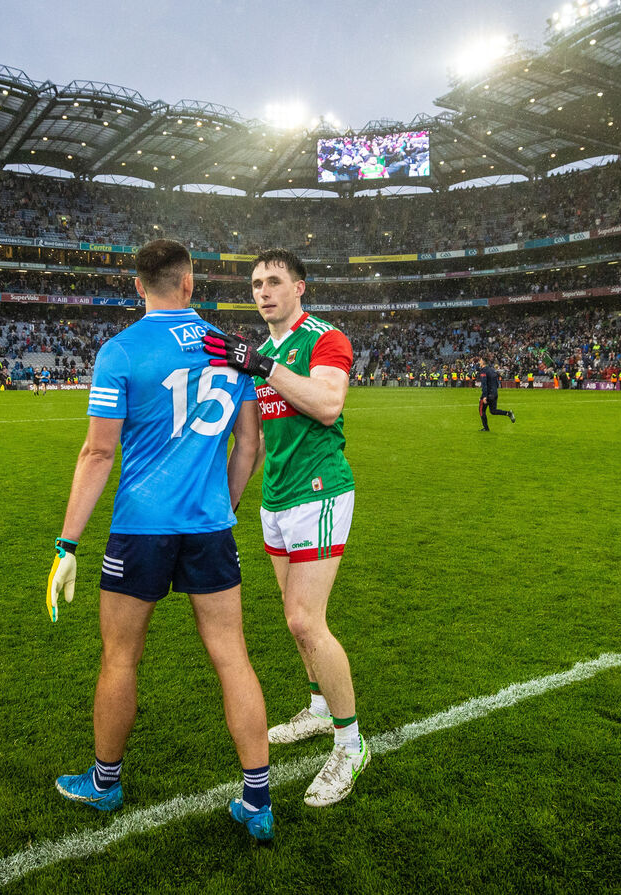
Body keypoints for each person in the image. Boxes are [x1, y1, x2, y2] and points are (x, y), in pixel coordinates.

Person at [47, 239, 273, 841]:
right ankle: (258, 798)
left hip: (141, 528)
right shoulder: (232, 349)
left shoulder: (120, 350)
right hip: (210, 527)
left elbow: (99, 451)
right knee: (232, 657)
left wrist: (67, 544)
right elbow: (249, 447)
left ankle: (104, 783)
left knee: (121, 657)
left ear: (137, 286)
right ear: (190, 285)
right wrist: (220, 507)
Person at [203, 248, 368, 808]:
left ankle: (351, 743)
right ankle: (320, 709)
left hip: (320, 492)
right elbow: (248, 444)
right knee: (293, 618)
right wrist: (225, 509)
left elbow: (327, 403)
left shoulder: (325, 338)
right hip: (275, 501)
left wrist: (265, 365)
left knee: (304, 620)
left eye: (274, 281)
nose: (263, 291)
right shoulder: (260, 353)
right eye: (255, 284)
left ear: (300, 287)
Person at [476, 356, 515, 431]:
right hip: (494, 393)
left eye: (480, 360)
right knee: (493, 411)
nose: (479, 362)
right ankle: (508, 413)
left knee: (481, 410)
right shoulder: (492, 370)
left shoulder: (484, 371)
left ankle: (486, 428)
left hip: (488, 394)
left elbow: (484, 384)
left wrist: (484, 396)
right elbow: (497, 383)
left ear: (483, 362)